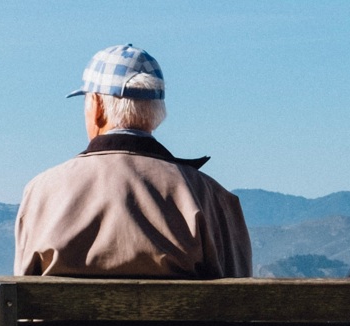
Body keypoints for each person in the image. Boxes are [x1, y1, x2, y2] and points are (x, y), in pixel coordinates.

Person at [14, 44, 252, 278]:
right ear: (156, 112)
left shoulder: (42, 191)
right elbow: (239, 300)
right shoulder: (208, 196)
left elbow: (21, 300)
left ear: (97, 107)